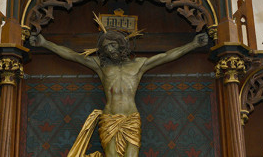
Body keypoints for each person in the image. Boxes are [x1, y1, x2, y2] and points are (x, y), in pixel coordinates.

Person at [30, 31, 208, 157]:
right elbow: (72, 55)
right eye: (106, 47)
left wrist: (194, 44)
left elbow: (167, 56)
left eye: (112, 45)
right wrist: (45, 43)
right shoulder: (102, 66)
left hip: (131, 117)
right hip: (110, 117)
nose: (109, 50)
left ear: (121, 45)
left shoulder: (138, 64)